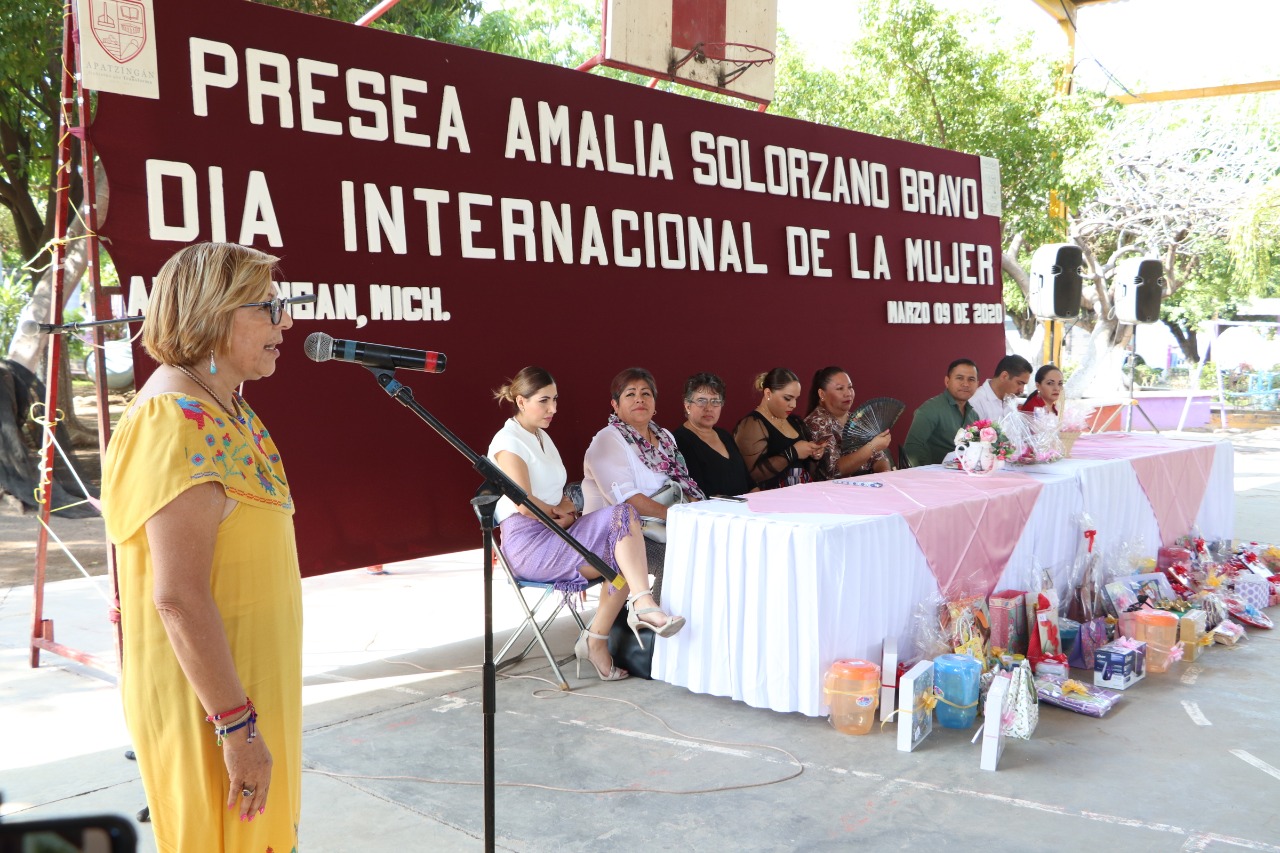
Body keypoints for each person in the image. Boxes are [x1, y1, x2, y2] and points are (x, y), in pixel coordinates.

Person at [101, 243, 304, 851]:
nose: (286, 323)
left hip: (248, 690)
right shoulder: (171, 422)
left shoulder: (228, 405)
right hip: (213, 707)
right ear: (213, 315)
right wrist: (237, 728)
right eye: (269, 308)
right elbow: (179, 598)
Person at [494, 367, 686, 680]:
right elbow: (525, 504)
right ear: (521, 401)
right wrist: (559, 512)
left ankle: (596, 639)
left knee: (625, 553)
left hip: (559, 531)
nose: (553, 408)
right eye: (544, 401)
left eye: (555, 399)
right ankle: (641, 605)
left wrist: (567, 512)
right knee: (623, 515)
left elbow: (560, 495)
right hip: (530, 546)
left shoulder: (541, 436)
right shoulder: (508, 441)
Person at [733, 368, 823, 489]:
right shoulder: (752, 425)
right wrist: (793, 453)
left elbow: (807, 469)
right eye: (787, 398)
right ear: (768, 394)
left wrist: (813, 454)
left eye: (796, 399)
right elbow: (749, 477)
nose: (794, 405)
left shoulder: (795, 421)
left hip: (802, 494)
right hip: (770, 498)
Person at [803, 366, 893, 480]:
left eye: (850, 387)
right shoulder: (817, 422)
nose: (848, 393)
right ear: (822, 394)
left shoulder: (856, 419)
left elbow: (879, 457)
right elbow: (834, 470)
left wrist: (885, 473)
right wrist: (872, 447)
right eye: (840, 388)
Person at [673, 372, 754, 497]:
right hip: (715, 508)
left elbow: (749, 482)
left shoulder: (724, 435)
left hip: (747, 505)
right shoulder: (679, 440)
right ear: (687, 405)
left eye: (715, 401)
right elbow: (698, 493)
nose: (709, 408)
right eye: (701, 401)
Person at [903, 358, 981, 467]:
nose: (966, 384)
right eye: (959, 378)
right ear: (947, 381)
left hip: (966, 473)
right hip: (933, 475)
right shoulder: (930, 409)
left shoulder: (974, 416)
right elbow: (912, 448)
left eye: (971, 379)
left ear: (977, 384)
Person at [971, 354, 1033, 423]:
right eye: (1019, 383)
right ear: (1004, 376)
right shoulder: (976, 402)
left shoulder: (1011, 400)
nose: (1021, 390)